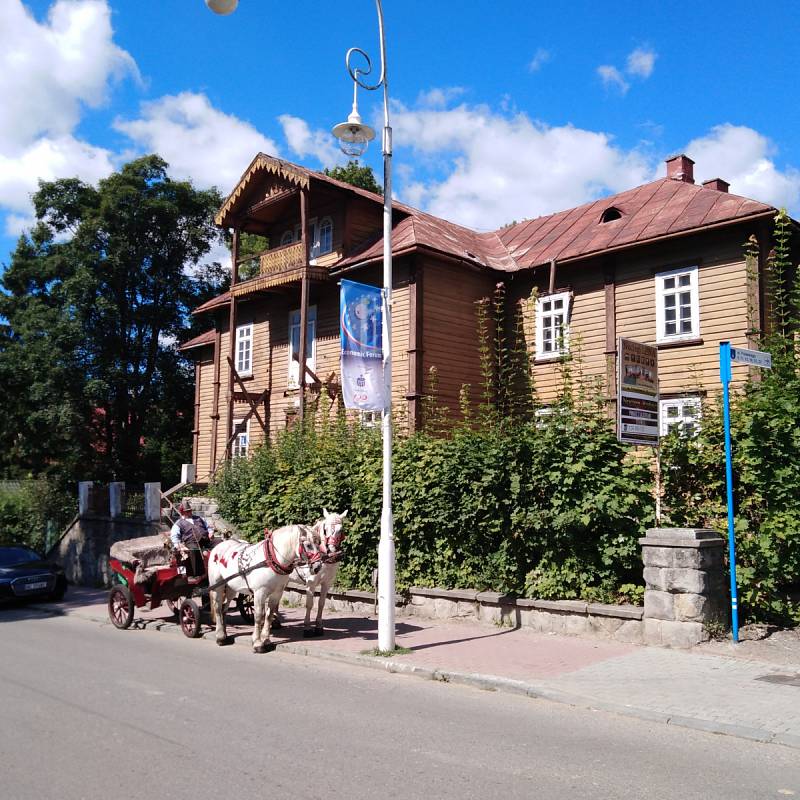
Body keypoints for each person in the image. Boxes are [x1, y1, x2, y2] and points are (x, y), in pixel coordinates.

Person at [170, 503, 209, 576]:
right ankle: (197, 575)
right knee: (194, 550)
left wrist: (211, 532)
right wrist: (179, 545)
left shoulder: (199, 518)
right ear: (182, 512)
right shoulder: (178, 523)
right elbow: (174, 536)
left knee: (220, 543)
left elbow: (208, 527)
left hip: (206, 539)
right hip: (191, 542)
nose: (190, 512)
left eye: (190, 510)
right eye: (187, 511)